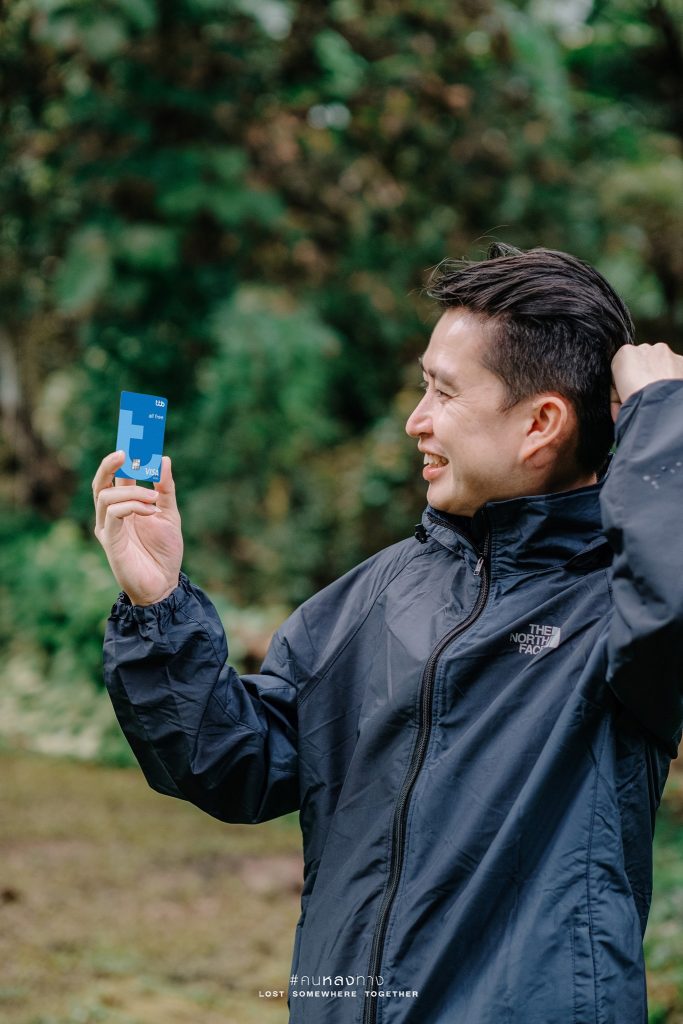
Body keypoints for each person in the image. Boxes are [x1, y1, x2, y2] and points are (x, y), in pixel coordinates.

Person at [94, 244, 683, 1024]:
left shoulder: (615, 605)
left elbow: (668, 602)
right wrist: (159, 603)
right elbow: (233, 765)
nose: (416, 420)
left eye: (443, 391)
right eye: (421, 386)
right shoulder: (370, 597)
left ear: (540, 424)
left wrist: (659, 419)